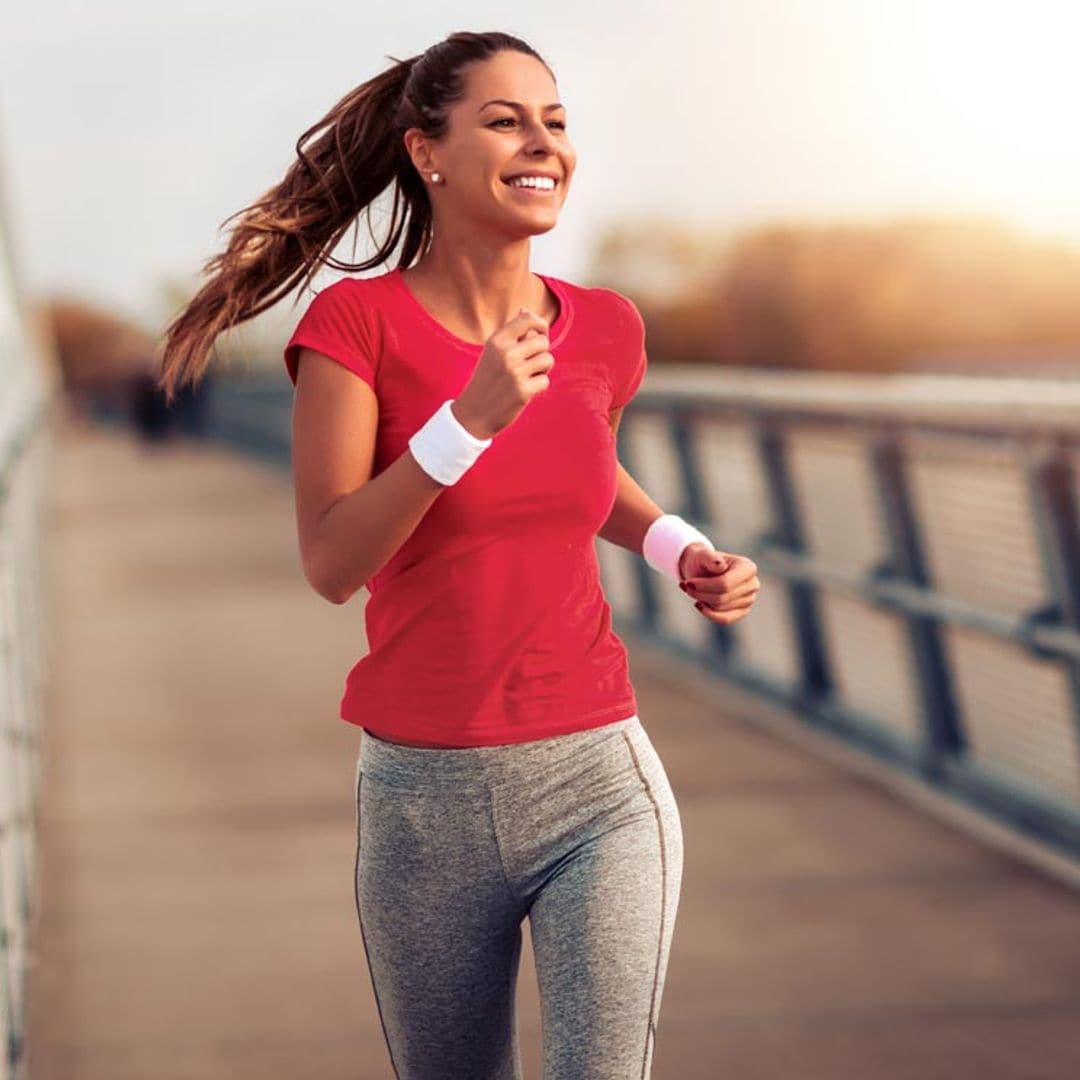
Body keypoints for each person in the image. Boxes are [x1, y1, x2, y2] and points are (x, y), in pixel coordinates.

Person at [158, 29, 760, 1079]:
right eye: (505, 119)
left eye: (556, 120)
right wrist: (463, 422)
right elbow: (332, 558)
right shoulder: (357, 325)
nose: (544, 143)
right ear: (426, 151)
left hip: (598, 781)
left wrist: (680, 547)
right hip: (421, 805)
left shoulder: (606, 328)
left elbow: (578, 475)